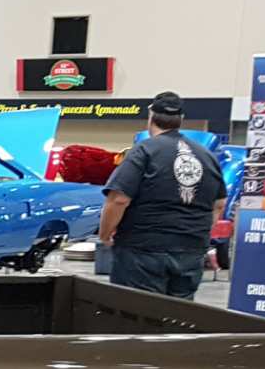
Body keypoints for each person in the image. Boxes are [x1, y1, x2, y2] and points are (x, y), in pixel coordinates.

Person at [97, 92, 227, 299]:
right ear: (181, 119)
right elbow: (219, 204)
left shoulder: (144, 151)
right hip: (191, 251)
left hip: (143, 250)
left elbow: (119, 198)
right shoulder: (206, 156)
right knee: (179, 312)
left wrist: (104, 234)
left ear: (151, 116)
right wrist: (195, 234)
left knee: (139, 311)